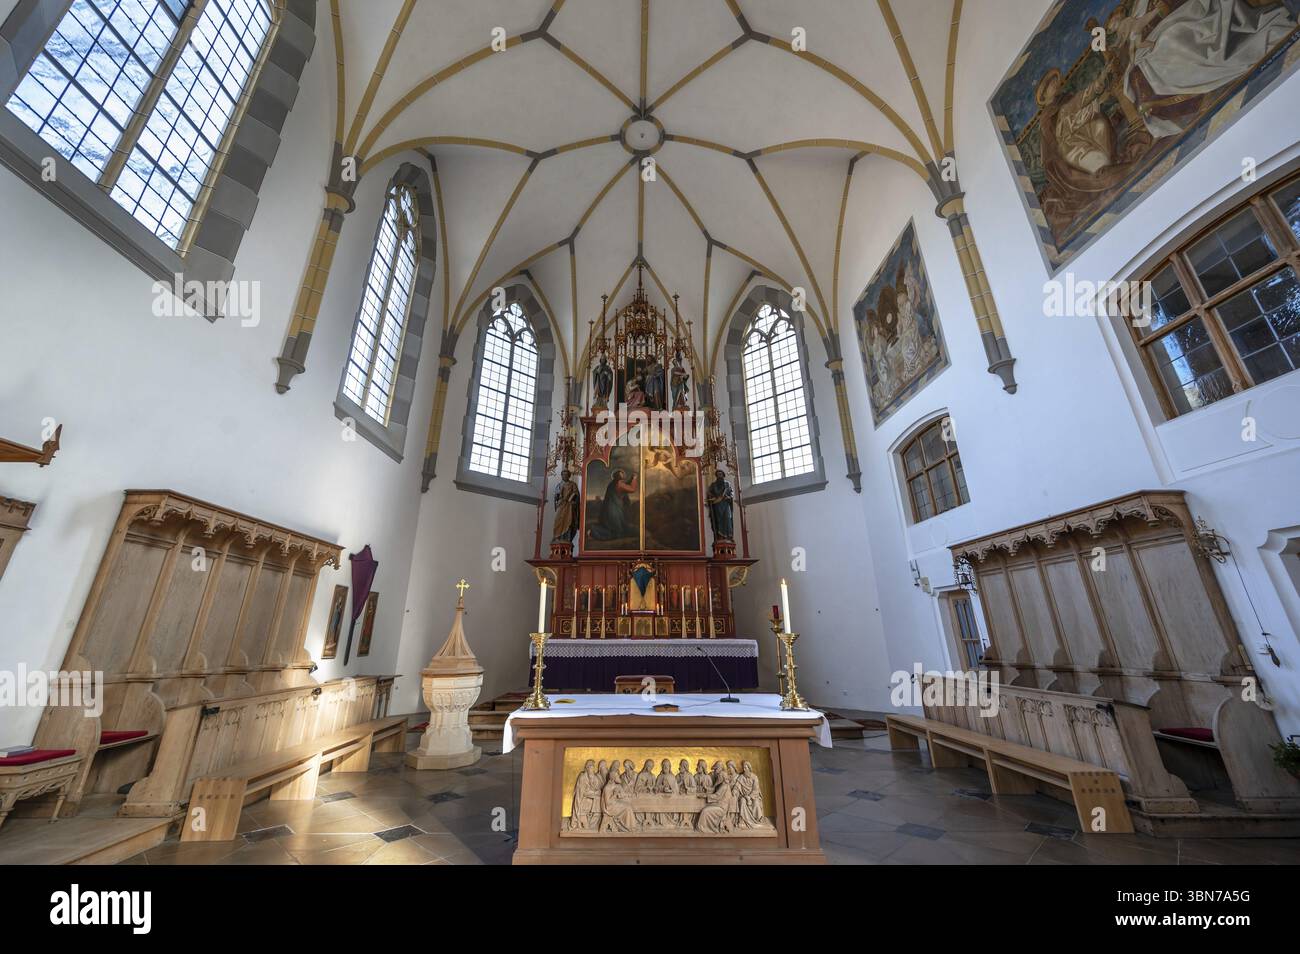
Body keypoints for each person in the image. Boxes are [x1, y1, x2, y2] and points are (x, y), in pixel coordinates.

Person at [591, 467, 639, 541]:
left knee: (615, 526)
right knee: (617, 531)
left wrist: (631, 479)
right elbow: (632, 489)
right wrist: (634, 479)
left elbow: (625, 485)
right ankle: (594, 532)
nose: (623, 475)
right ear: (618, 476)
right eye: (621, 474)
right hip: (615, 509)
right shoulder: (619, 484)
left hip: (611, 508)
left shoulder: (613, 483)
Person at [734, 760, 772, 830]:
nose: (744, 769)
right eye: (743, 768)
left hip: (754, 796)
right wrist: (735, 792)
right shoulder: (741, 777)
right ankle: (743, 820)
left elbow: (756, 789)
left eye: (746, 768)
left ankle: (758, 819)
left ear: (749, 768)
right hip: (744, 796)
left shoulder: (754, 777)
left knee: (756, 803)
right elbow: (736, 787)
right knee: (742, 801)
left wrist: (749, 797)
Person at [568, 759, 602, 831]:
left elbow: (599, 789)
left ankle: (592, 824)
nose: (592, 769)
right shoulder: (582, 777)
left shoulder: (595, 777)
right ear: (587, 768)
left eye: (593, 767)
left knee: (599, 802)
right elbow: (582, 792)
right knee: (589, 802)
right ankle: (581, 822)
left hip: (593, 798)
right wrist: (594, 793)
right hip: (583, 798)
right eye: (590, 767)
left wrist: (596, 792)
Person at [551, 469, 579, 546]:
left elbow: (576, 493)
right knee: (558, 520)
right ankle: (557, 537)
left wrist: (570, 500)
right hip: (561, 505)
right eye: (563, 475)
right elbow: (556, 497)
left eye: (566, 475)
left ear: (569, 476)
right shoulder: (559, 485)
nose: (564, 476)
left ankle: (566, 538)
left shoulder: (573, 484)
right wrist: (557, 497)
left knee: (568, 521)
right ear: (561, 476)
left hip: (569, 506)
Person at [706, 468, 734, 541]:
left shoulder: (727, 484)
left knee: (727, 518)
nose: (719, 476)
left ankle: (728, 536)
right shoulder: (713, 485)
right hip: (717, 505)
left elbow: (731, 492)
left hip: (726, 504)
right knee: (719, 520)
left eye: (720, 474)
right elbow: (709, 493)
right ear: (716, 476)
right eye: (718, 475)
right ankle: (720, 536)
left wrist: (729, 497)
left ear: (723, 475)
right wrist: (711, 497)